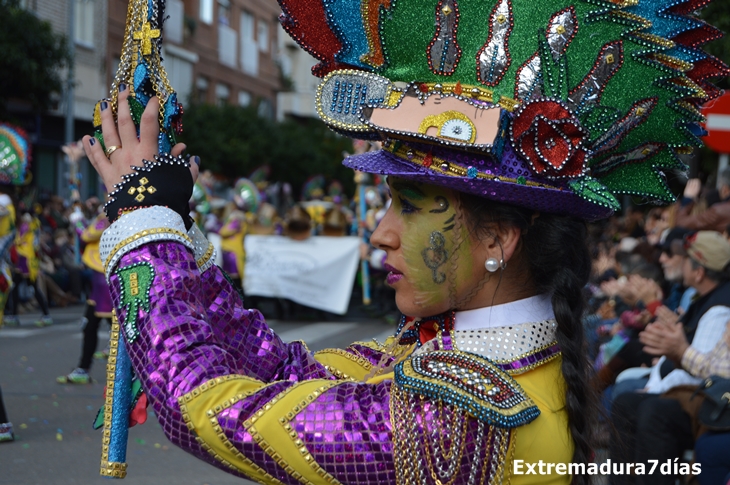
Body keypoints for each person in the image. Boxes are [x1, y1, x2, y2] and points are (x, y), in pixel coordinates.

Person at [82, 0, 726, 483]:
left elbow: (211, 409)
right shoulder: (471, 361)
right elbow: (284, 373)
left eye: (409, 206)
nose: (379, 231)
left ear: (498, 237)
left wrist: (145, 231)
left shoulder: (459, 415)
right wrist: (179, 240)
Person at [57, 213, 112, 384]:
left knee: (115, 330)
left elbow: (87, 235)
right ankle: (83, 368)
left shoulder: (110, 213)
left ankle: (84, 368)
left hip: (105, 280)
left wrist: (78, 222)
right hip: (102, 280)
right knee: (93, 327)